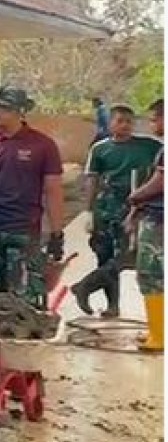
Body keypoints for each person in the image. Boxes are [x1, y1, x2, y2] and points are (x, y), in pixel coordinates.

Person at [0, 87, 66, 309]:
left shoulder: (42, 145)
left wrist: (56, 233)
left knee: (26, 303)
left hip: (25, 232)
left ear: (20, 111)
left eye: (2, 107)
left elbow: (53, 190)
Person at [72, 105, 161, 318]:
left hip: (136, 203)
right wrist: (88, 212)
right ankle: (112, 305)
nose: (125, 125)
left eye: (129, 121)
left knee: (127, 256)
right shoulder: (100, 149)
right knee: (104, 255)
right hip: (107, 205)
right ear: (110, 123)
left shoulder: (149, 146)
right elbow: (92, 180)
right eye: (120, 121)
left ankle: (85, 285)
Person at [127, 99, 164, 352]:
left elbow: (161, 183)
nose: (152, 124)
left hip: (159, 220)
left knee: (151, 275)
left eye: (154, 119)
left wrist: (135, 196)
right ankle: (156, 328)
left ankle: (159, 336)